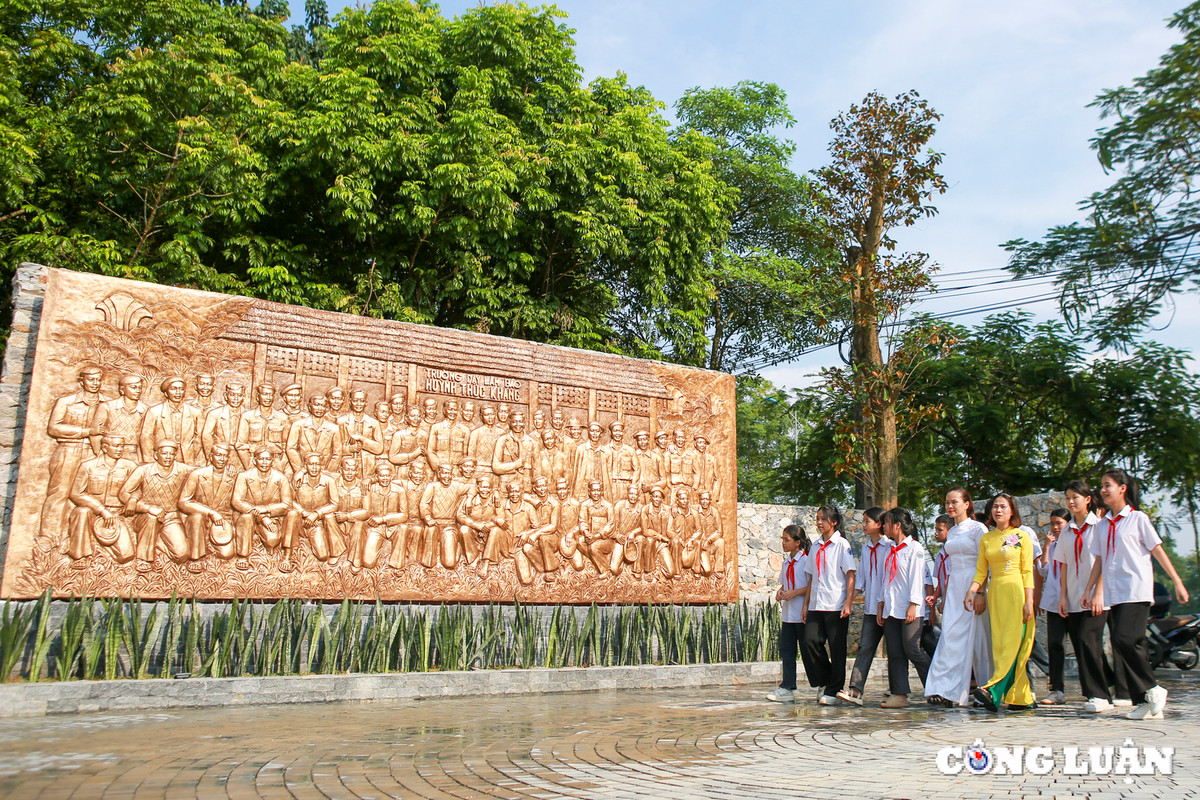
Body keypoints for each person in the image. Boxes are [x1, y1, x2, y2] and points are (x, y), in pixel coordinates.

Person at [1084, 468, 1189, 720]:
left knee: (1124, 638)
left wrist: (1177, 581)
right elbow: (1099, 560)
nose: (1103, 489)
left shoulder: (1138, 519)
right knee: (1130, 643)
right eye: (1101, 485)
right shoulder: (1102, 525)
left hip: (1136, 589)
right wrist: (1089, 588)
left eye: (1108, 485)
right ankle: (1144, 700)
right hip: (1114, 592)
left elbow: (1157, 550)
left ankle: (1152, 689)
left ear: (1122, 488)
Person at [966, 494, 1036, 711]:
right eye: (994, 506)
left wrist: (1029, 601)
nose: (998, 510)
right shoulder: (986, 539)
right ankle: (1020, 698)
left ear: (1012, 510)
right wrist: (971, 591)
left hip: (1017, 592)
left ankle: (991, 690)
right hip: (996, 593)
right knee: (1000, 645)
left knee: (1013, 643)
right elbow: (981, 572)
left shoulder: (1022, 537)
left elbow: (1027, 571)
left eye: (1003, 506)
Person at [924, 489, 990, 707]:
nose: (950, 506)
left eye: (954, 502)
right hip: (954, 587)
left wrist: (979, 591)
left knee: (978, 639)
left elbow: (985, 562)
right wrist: (941, 594)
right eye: (947, 502)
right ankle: (945, 688)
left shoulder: (978, 529)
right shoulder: (951, 532)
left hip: (973, 584)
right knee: (950, 637)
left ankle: (985, 688)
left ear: (967, 504)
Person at [1055, 479, 1111, 712]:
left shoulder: (1100, 527)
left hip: (1098, 597)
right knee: (1081, 645)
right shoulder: (1067, 531)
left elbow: (1105, 562)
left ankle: (1100, 695)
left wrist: (1098, 593)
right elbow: (1065, 565)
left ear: (1088, 500)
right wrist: (1063, 597)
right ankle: (1095, 693)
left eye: (1075, 497)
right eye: (1068, 497)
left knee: (1089, 640)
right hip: (1075, 597)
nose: (1071, 502)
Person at [800, 505, 857, 705]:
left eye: (823, 519)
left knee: (837, 647)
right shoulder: (815, 546)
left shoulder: (842, 545)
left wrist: (848, 602)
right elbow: (811, 578)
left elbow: (850, 574)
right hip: (816, 603)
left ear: (833, 521)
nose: (819, 522)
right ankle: (825, 680)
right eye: (817, 518)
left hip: (836, 604)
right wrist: (806, 604)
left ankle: (834, 689)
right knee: (809, 642)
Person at [878, 507, 932, 708]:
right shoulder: (890, 550)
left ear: (897, 525)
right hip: (892, 608)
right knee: (895, 652)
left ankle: (936, 687)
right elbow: (886, 580)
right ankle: (899, 694)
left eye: (887, 523)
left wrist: (913, 605)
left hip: (909, 608)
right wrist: (881, 604)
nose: (883, 526)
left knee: (912, 649)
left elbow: (916, 579)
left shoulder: (914, 548)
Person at [837, 507, 889, 706]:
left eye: (867, 521)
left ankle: (899, 690)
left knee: (897, 651)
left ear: (879, 524)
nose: (863, 525)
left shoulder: (891, 546)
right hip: (870, 610)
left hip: (890, 610)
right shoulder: (867, 548)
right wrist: (849, 600)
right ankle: (855, 690)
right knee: (865, 647)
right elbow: (861, 581)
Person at [767, 524, 811, 703]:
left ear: (797, 543)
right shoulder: (786, 562)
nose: (783, 543)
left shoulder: (806, 561)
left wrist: (795, 593)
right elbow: (785, 583)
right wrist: (781, 591)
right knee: (787, 650)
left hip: (802, 612)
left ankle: (821, 683)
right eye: (782, 540)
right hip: (788, 614)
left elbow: (811, 585)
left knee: (808, 651)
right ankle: (787, 686)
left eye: (787, 540)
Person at [1036, 508, 1070, 705]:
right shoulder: (1053, 545)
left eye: (1059, 523)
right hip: (1054, 602)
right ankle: (1056, 689)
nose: (1056, 528)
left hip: (1073, 601)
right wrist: (1047, 547)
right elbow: (1042, 570)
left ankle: (1099, 688)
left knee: (1084, 645)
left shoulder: (1074, 543)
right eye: (1053, 524)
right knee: (1055, 645)